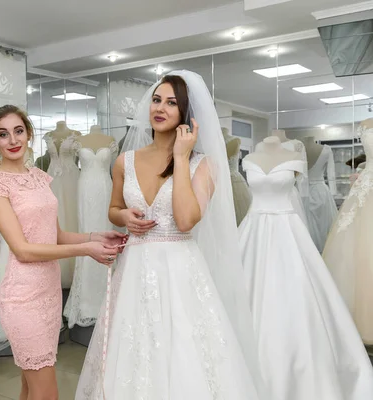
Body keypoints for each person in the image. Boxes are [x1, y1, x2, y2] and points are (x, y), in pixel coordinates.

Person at [75, 71, 266, 399]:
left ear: (186, 114)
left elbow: (186, 219)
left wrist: (180, 156)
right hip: (134, 268)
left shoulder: (203, 165)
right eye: (156, 100)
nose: (160, 108)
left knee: (182, 350)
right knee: (133, 349)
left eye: (171, 102)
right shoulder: (125, 161)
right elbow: (114, 208)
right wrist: (124, 216)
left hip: (179, 270)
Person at [0, 105, 126, 400]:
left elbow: (55, 235)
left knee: (30, 387)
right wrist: (86, 249)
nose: (13, 140)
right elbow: (22, 249)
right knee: (47, 393)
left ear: (29, 134)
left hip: (49, 292)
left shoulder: (39, 177)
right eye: (3, 134)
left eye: (18, 131)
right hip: (21, 296)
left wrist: (94, 234)